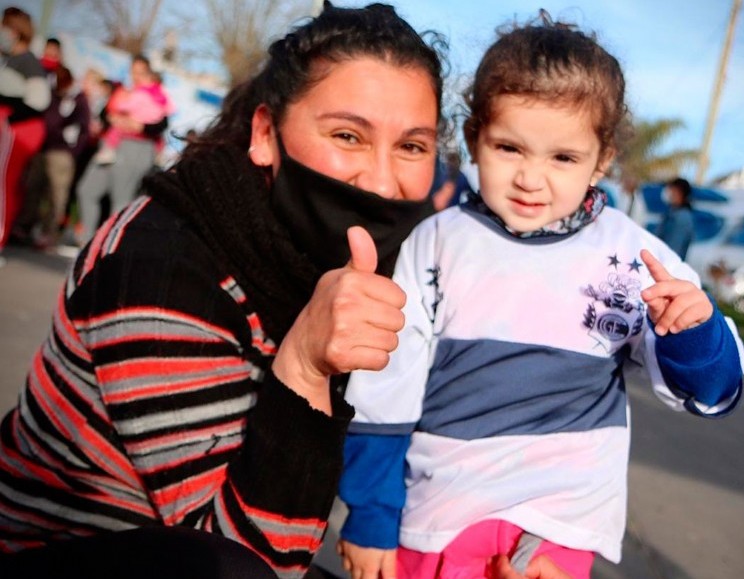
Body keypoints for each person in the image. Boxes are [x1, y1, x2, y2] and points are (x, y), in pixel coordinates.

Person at [0, 3, 446, 579]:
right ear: (266, 134)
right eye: (347, 136)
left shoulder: (332, 258)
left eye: (412, 146)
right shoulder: (161, 268)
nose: (383, 182)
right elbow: (248, 563)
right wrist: (306, 369)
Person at [337, 16, 744, 579]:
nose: (531, 178)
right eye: (509, 147)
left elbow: (712, 392)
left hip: (558, 535)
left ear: (602, 160)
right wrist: (371, 514)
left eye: (563, 158)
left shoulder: (635, 259)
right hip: (439, 518)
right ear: (475, 137)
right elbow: (387, 386)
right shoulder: (435, 243)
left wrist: (695, 335)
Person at [75, 55, 169, 243]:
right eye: (133, 71)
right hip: (111, 145)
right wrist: (112, 118)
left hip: (136, 147)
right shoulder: (125, 92)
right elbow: (107, 113)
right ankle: (87, 243)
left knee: (121, 200)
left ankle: (109, 249)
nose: (136, 76)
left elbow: (161, 123)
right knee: (86, 190)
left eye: (141, 72)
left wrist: (136, 125)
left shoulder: (155, 95)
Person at [13, 65, 91, 249]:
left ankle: (48, 235)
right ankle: (23, 228)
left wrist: (72, 152)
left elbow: (83, 130)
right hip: (44, 148)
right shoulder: (51, 95)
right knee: (33, 187)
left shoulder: (79, 99)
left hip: (62, 154)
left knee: (56, 195)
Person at [0, 6, 50, 263]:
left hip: (19, 130)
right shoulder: (9, 59)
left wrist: (10, 116)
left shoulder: (29, 62)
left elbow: (39, 101)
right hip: (11, 127)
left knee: (3, 185)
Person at [93, 65, 174, 165]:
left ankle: (109, 152)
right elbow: (170, 108)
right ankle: (160, 156)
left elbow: (128, 105)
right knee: (160, 141)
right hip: (143, 129)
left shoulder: (141, 93)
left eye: (140, 74)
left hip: (136, 129)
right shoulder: (162, 95)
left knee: (116, 131)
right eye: (134, 72)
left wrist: (120, 108)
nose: (136, 77)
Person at [656, 176, 694, 260]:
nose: (667, 192)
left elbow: (673, 251)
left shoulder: (682, 218)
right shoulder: (671, 213)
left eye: (671, 189)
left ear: (679, 193)